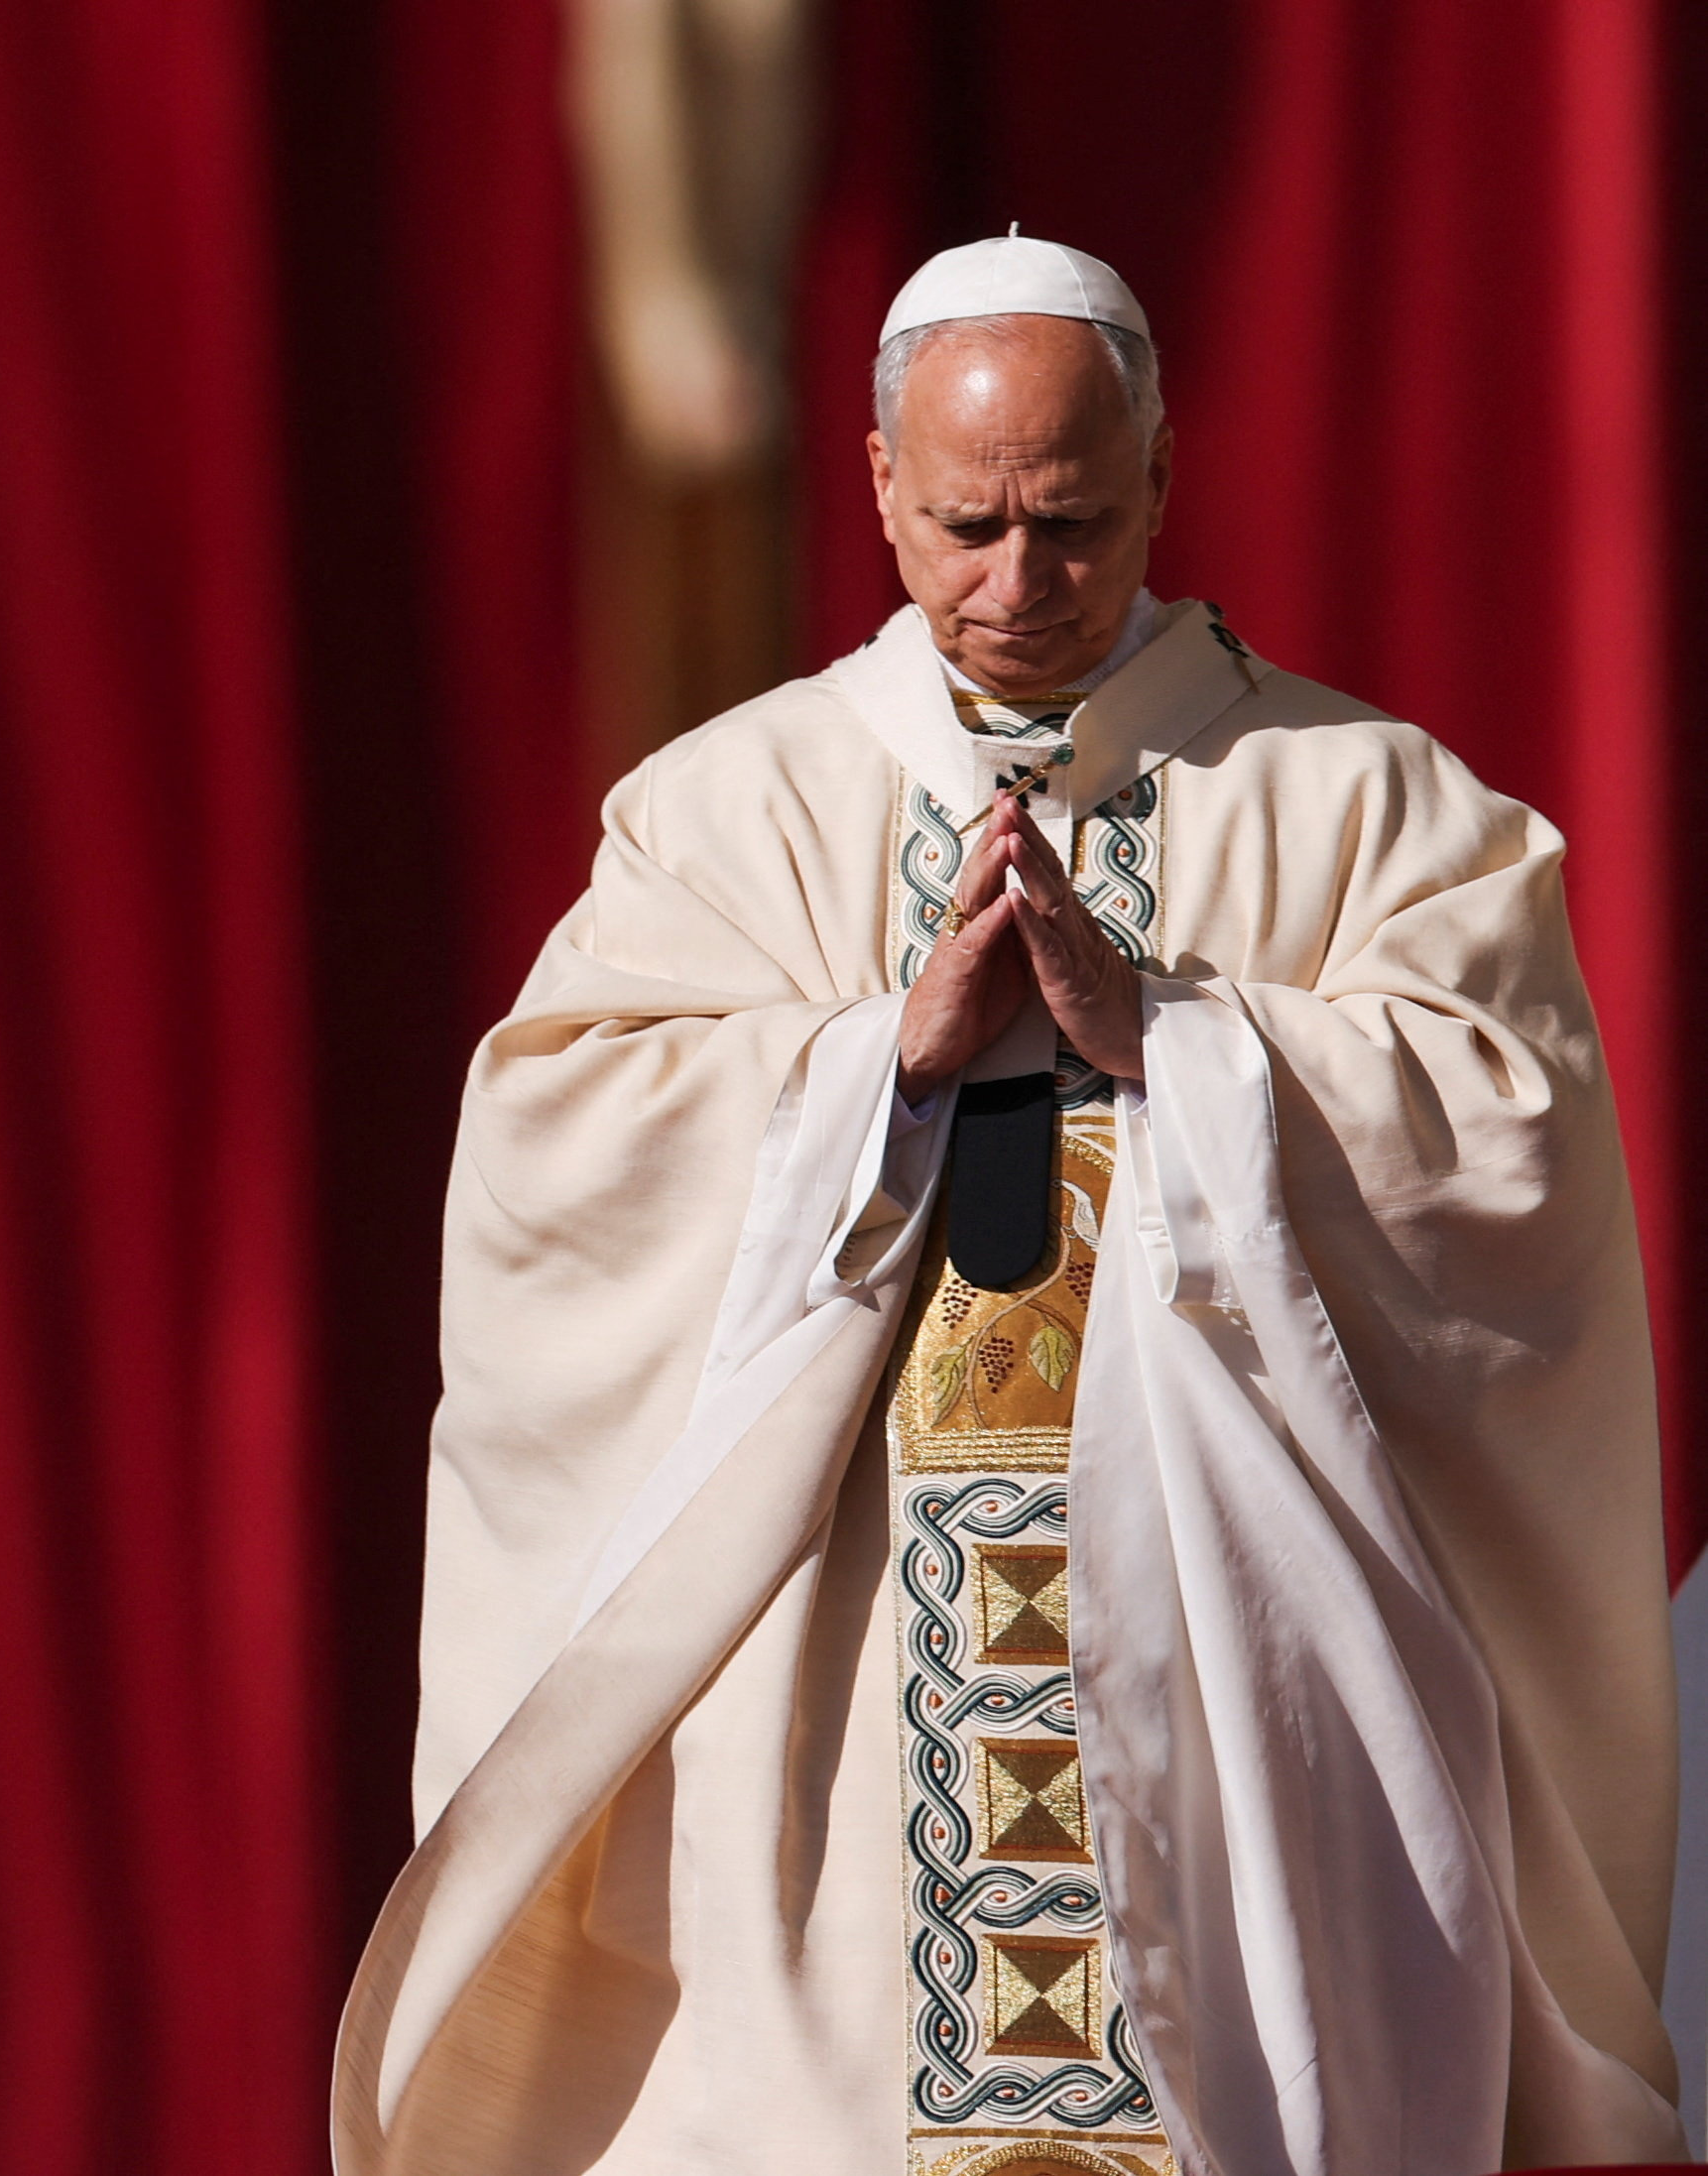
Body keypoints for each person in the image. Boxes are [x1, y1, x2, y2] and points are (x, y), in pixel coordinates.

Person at [334, 235, 1683, 2175]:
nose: (1020, 582)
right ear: (881, 484)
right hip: (850, 1669)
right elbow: (560, 1153)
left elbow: (1508, 1146)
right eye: (969, 523)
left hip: (1234, 1696)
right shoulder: (728, 811)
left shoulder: (1377, 807)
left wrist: (1185, 1041)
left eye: (1072, 521)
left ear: (1160, 476)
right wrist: (866, 1061)